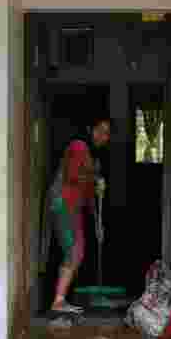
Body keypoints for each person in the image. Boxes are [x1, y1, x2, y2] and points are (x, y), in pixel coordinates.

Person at [45, 115, 112, 315]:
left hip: (75, 207)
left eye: (107, 133)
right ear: (90, 129)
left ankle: (60, 299)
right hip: (64, 203)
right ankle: (58, 301)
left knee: (77, 252)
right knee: (74, 251)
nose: (104, 136)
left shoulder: (92, 160)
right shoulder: (78, 146)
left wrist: (98, 223)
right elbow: (72, 176)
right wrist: (95, 179)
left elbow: (90, 197)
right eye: (100, 130)